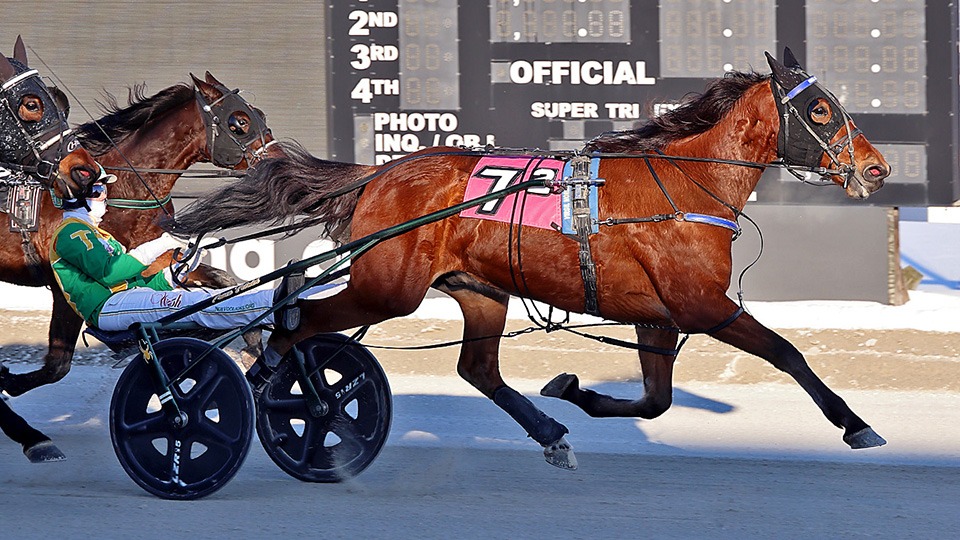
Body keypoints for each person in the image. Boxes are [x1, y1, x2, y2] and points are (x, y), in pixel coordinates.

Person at [49, 173, 346, 333]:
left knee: (194, 298)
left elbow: (134, 284)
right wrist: (164, 243)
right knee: (198, 304)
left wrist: (171, 274)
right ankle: (275, 305)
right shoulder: (71, 234)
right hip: (107, 309)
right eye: (99, 190)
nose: (106, 196)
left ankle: (286, 300)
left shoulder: (94, 234)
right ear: (79, 198)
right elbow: (111, 272)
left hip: (120, 301)